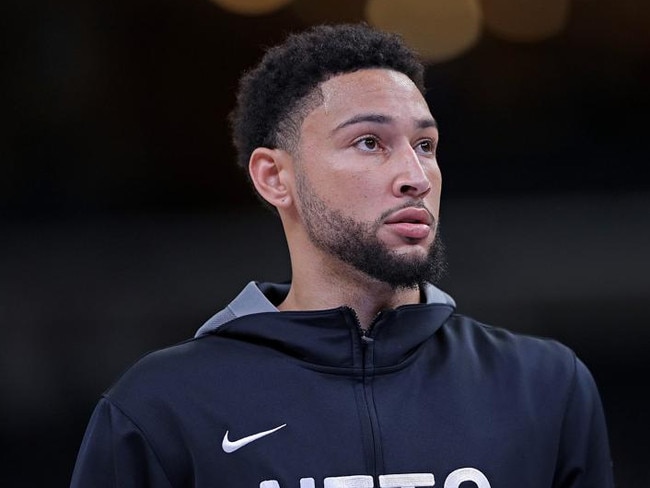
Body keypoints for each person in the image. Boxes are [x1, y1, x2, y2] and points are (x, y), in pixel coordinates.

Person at [70, 23, 615, 487]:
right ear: (274, 177)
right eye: (369, 143)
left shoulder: (545, 386)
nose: (415, 177)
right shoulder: (160, 407)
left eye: (425, 146)